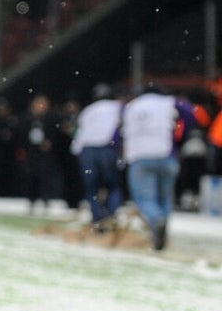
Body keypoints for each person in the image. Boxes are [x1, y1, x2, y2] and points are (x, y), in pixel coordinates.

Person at [121, 85, 196, 251]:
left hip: (139, 156)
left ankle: (156, 222)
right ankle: (161, 233)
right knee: (164, 198)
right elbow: (191, 115)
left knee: (145, 199)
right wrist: (180, 138)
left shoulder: (132, 106)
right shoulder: (170, 102)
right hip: (166, 154)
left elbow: (121, 131)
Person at [69, 84, 125, 230]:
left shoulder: (88, 110)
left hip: (88, 150)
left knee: (92, 188)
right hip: (108, 148)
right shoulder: (118, 107)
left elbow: (78, 137)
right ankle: (110, 218)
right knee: (113, 186)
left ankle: (97, 219)